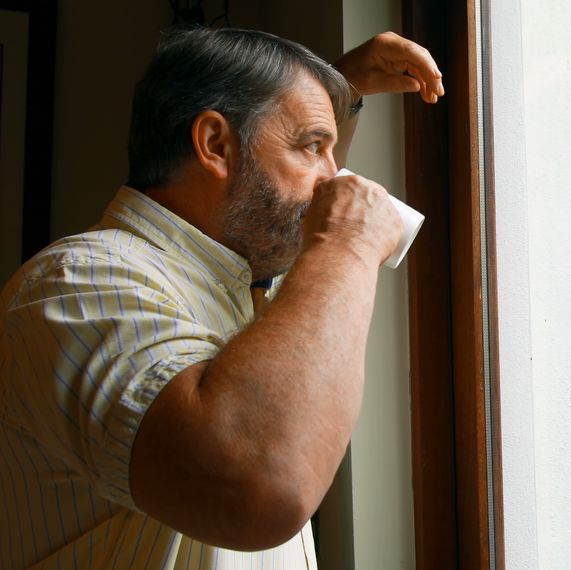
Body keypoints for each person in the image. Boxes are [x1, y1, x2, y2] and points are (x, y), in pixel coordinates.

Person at [0, 26, 443, 568]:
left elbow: (266, 169)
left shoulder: (242, 279)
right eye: (312, 147)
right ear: (214, 144)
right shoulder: (78, 285)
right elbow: (260, 486)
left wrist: (336, 94)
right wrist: (345, 244)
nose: (334, 181)